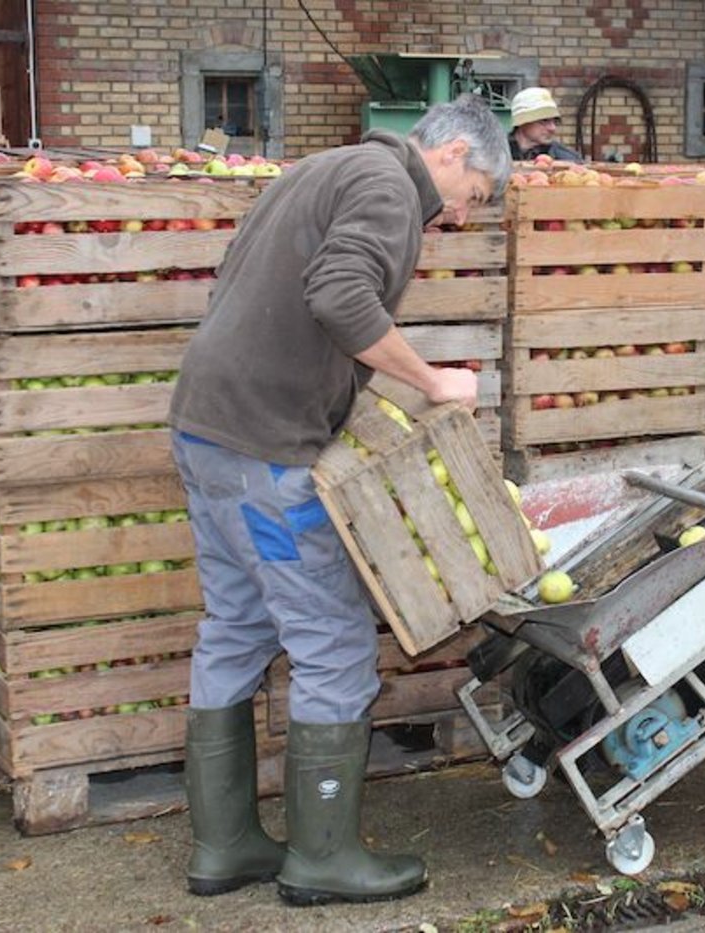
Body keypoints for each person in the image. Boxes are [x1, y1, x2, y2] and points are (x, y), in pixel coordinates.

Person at [167, 94, 510, 906]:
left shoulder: (325, 167)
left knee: (236, 628)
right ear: (455, 151)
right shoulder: (391, 191)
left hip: (206, 432)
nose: (464, 216)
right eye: (479, 194)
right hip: (265, 455)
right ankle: (322, 858)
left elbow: (258, 286)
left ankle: (223, 846)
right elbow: (339, 297)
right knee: (333, 647)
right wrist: (433, 383)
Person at [507, 86, 584, 163]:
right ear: (522, 122)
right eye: (544, 120)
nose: (553, 128)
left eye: (555, 121)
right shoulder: (497, 154)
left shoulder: (569, 160)